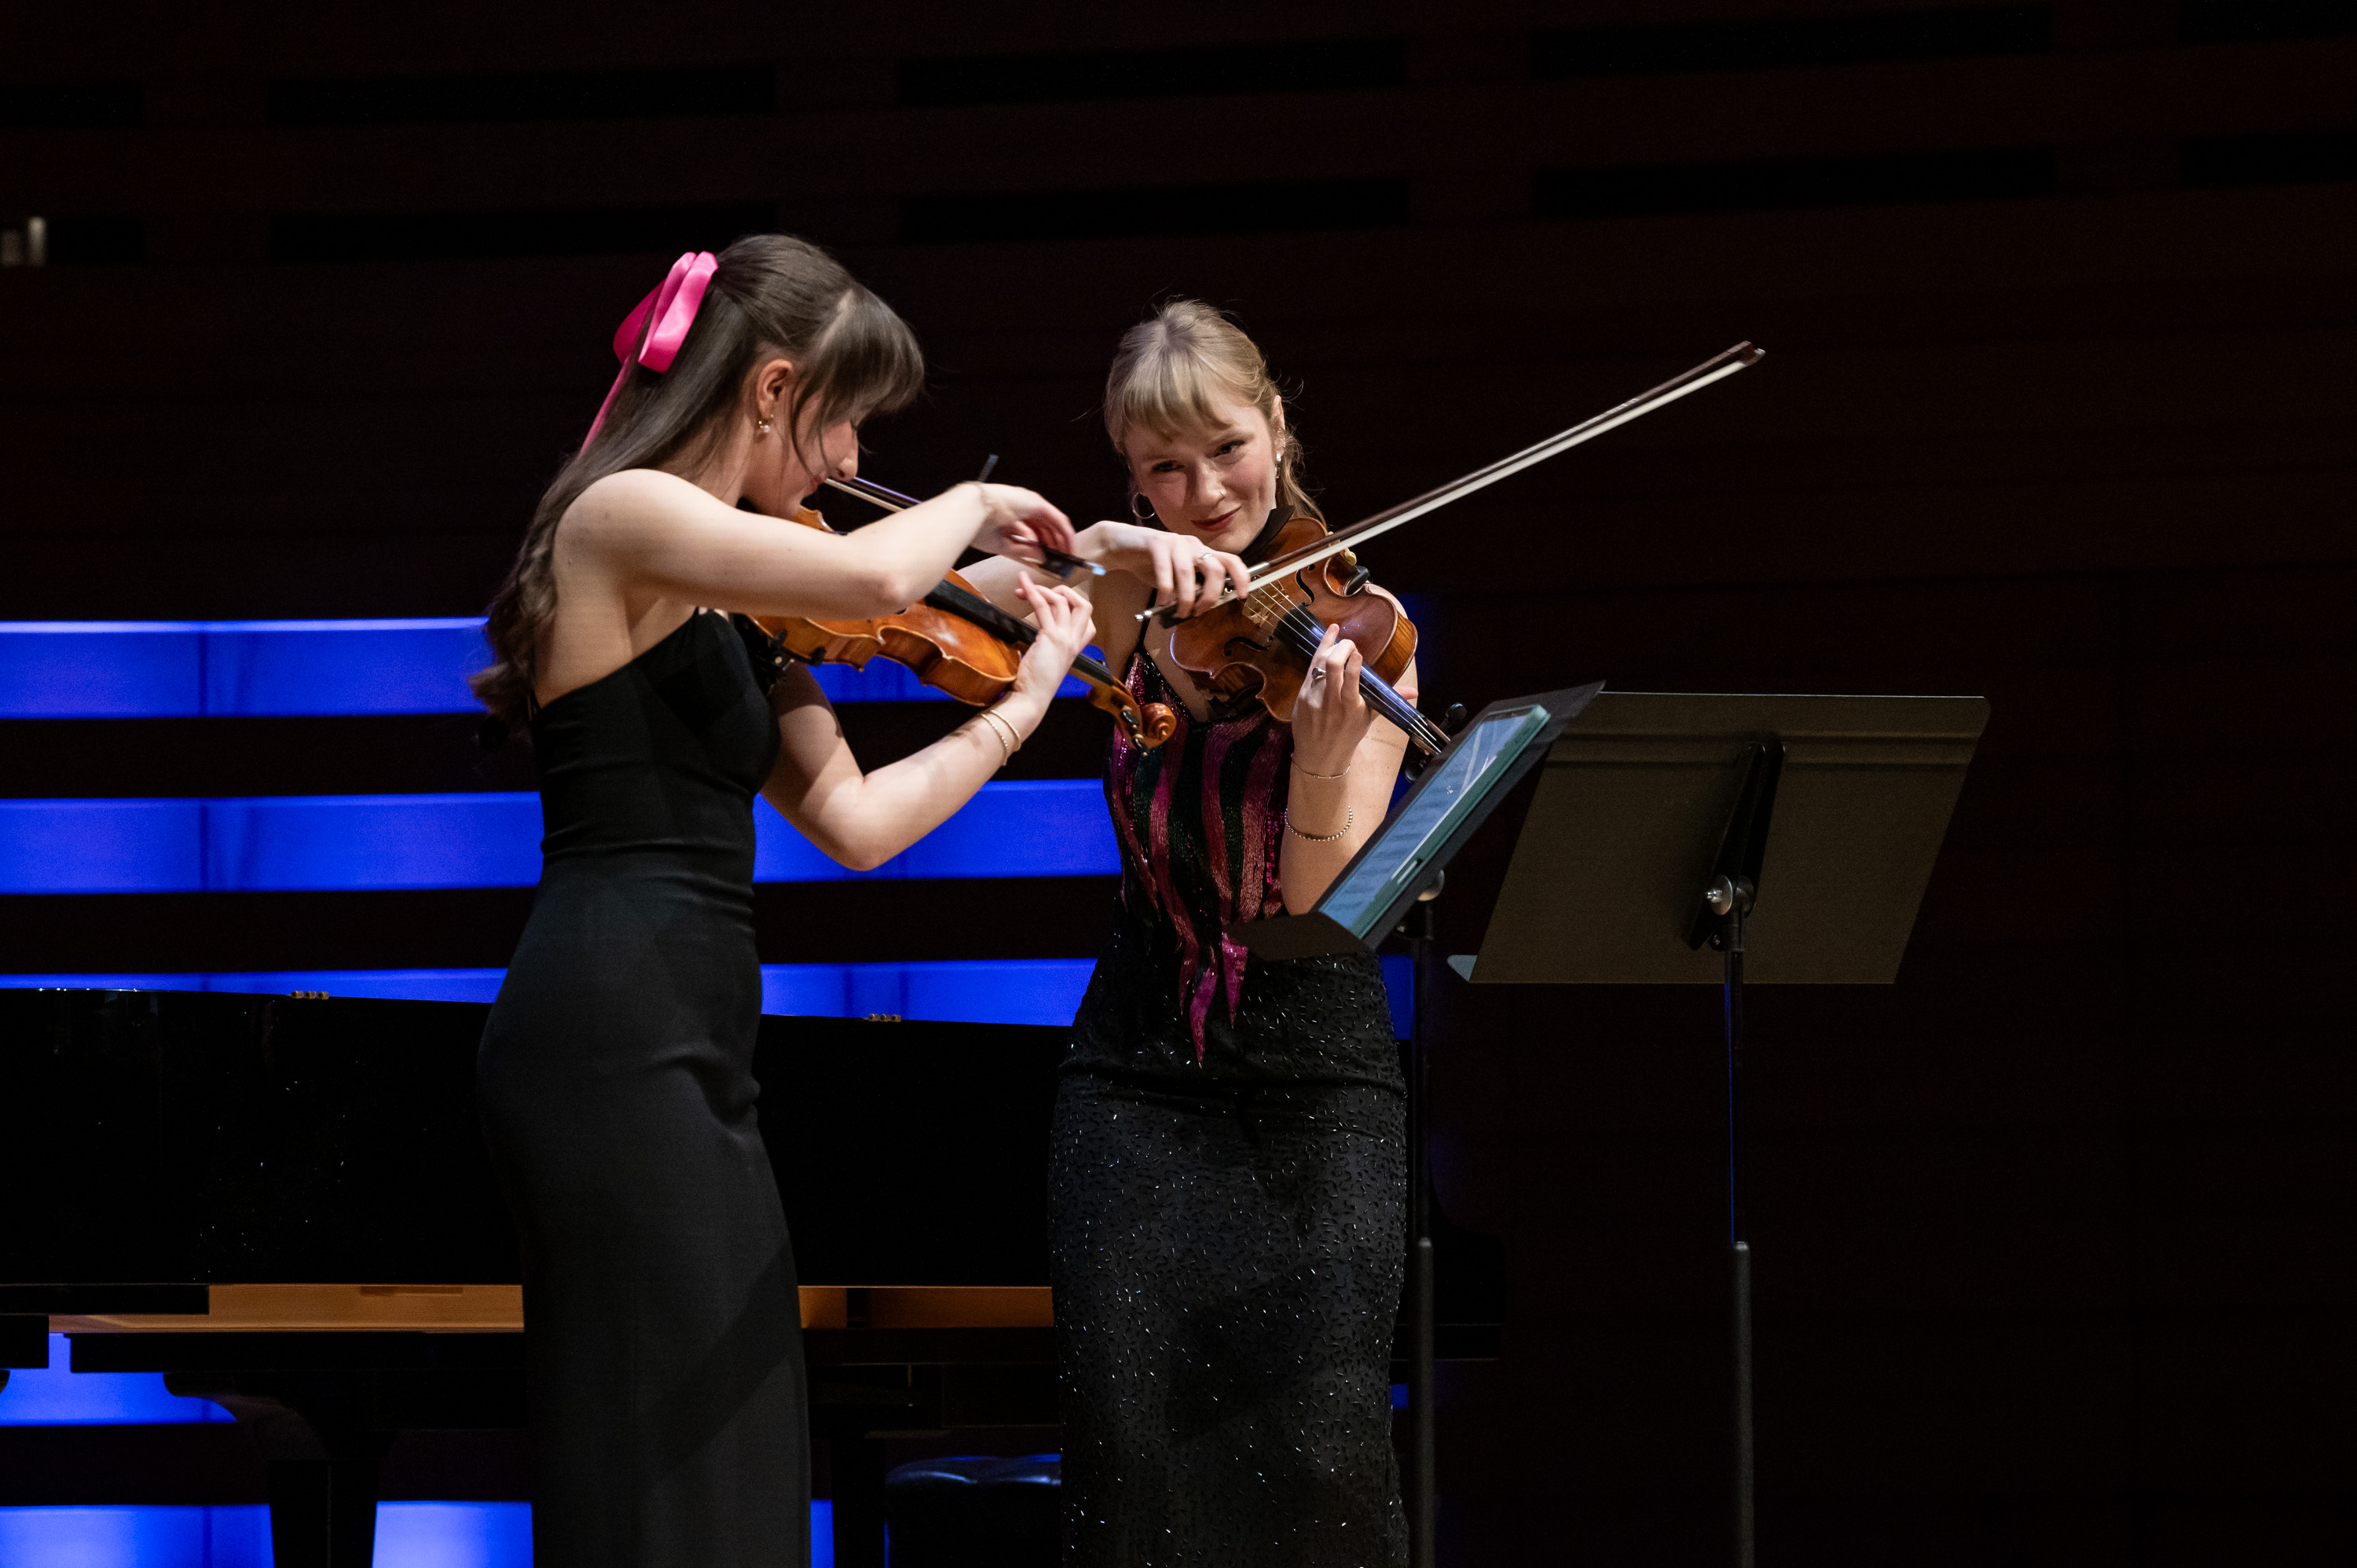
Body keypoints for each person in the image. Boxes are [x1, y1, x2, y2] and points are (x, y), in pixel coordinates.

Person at [471, 234, 1097, 1568]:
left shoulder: (737, 602)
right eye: (846, 415)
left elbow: (858, 822)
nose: (853, 458)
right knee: (649, 1448)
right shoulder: (621, 520)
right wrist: (986, 504)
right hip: (606, 1039)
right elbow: (884, 580)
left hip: (694, 1048)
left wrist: (1036, 686)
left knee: (732, 1441)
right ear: (769, 388)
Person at [963, 299, 1413, 1565]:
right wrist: (1094, 549)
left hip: (1314, 1090)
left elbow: (1311, 914)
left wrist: (1324, 767)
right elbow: (943, 596)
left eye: (1225, 448)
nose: (1204, 490)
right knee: (1130, 1454)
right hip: (1133, 1083)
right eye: (1163, 467)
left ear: (1276, 426)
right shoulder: (1123, 599)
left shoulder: (1360, 636)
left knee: (1320, 1459)